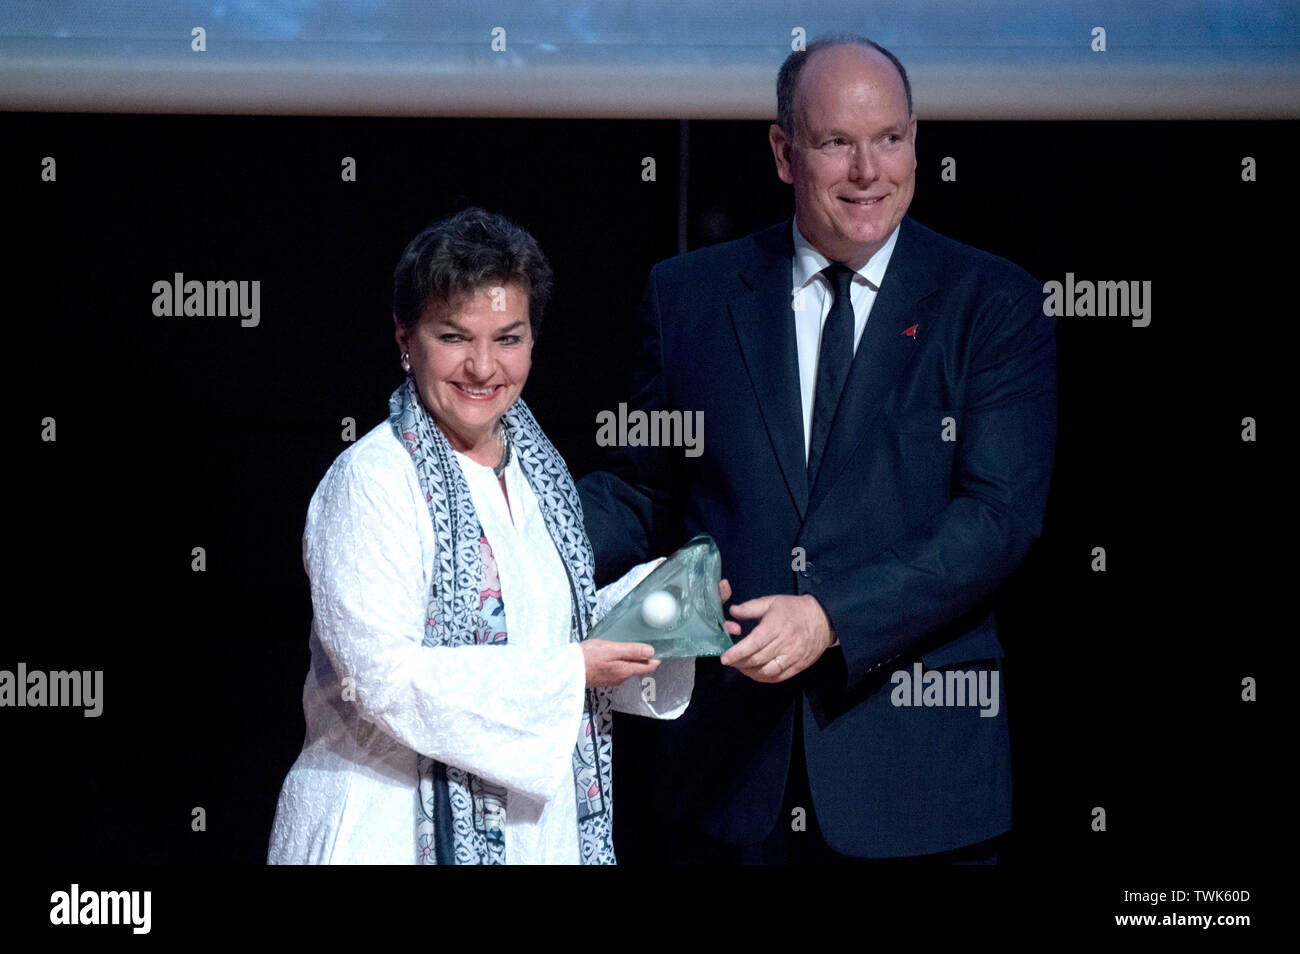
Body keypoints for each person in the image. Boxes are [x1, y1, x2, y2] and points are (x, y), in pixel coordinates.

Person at [578, 35, 1057, 863]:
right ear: (784, 151)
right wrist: (507, 526)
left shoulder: (993, 302)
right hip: (725, 781)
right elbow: (642, 491)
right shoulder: (689, 296)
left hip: (919, 785)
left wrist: (833, 618)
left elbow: (996, 518)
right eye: (837, 142)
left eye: (891, 139)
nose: (869, 170)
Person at [268, 207, 712, 864]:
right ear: (405, 337)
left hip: (534, 828)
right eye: (454, 337)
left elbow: (544, 632)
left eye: (508, 338)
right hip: (384, 830)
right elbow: (383, 683)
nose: (483, 367)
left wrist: (660, 608)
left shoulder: (538, 472)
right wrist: (571, 671)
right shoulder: (371, 480)